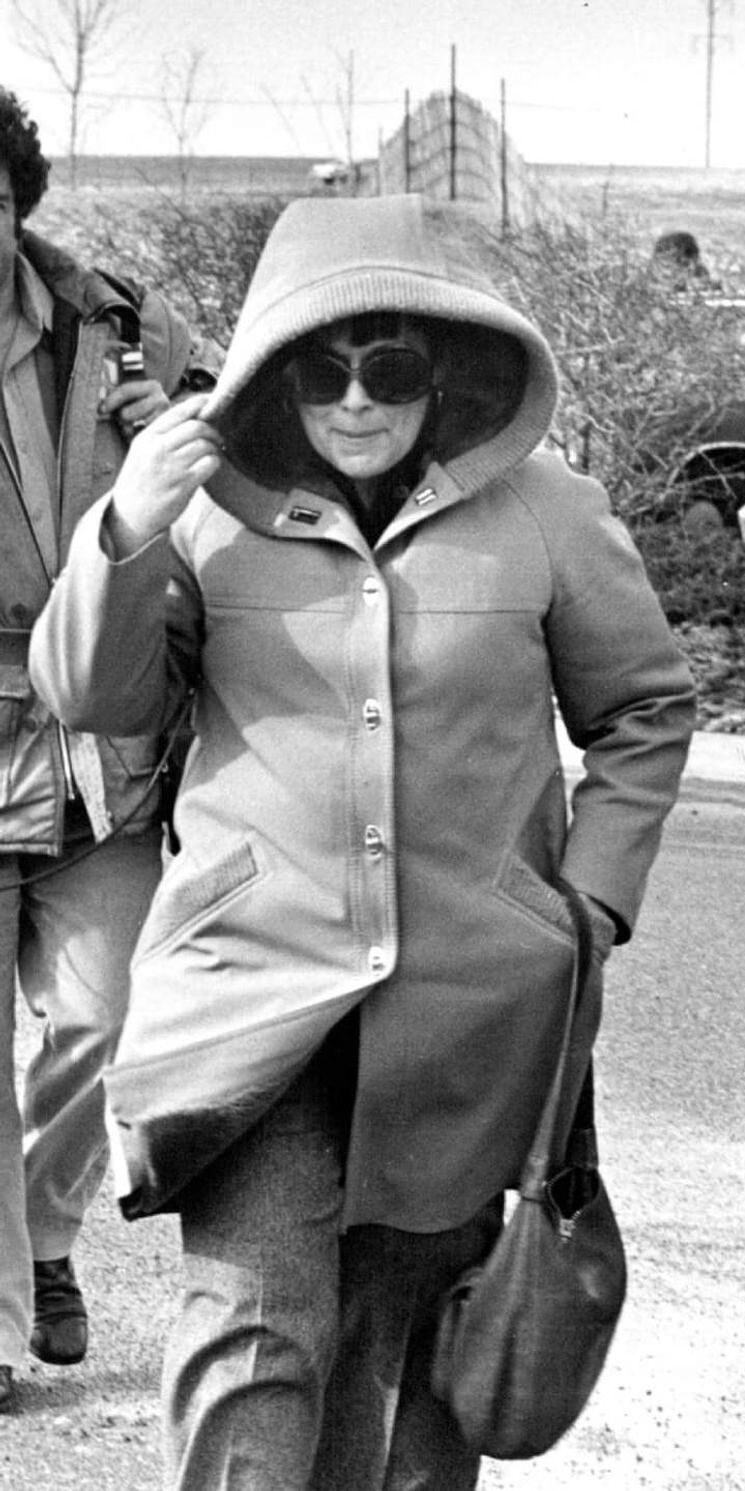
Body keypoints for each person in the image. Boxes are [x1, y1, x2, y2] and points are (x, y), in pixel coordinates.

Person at [29, 193, 696, 1487]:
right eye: (318, 365)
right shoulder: (207, 511)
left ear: (447, 366)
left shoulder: (551, 511)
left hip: (466, 1009)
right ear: (275, 365)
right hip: (253, 997)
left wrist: (585, 906)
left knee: (407, 1362)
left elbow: (644, 710)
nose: (352, 398)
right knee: (252, 1334)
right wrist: (123, 531)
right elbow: (93, 696)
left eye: (387, 364)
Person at [0, 85, 214, 1415]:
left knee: (99, 1016)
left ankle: (43, 1234)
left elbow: (238, 465)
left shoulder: (115, 323)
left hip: (91, 740)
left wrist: (166, 434)